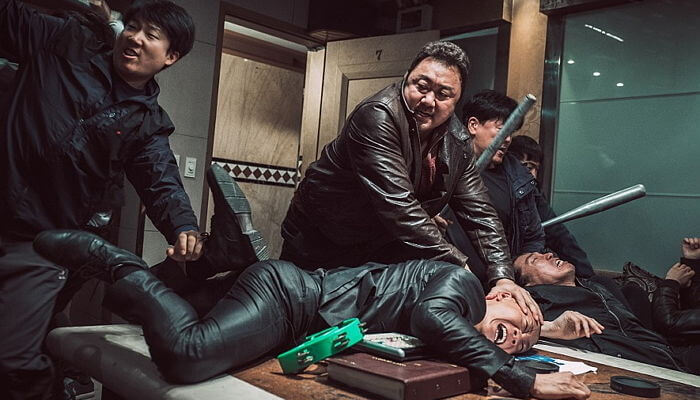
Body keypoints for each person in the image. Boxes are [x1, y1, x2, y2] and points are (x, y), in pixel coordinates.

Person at [32, 167, 592, 400]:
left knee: (170, 309)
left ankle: (217, 258)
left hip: (294, 310)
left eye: (521, 341)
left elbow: (462, 333)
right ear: (500, 293)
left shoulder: (468, 315)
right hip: (291, 299)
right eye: (520, 321)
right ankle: (115, 261)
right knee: (186, 355)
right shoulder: (460, 286)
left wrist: (547, 332)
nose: (517, 337)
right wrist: (522, 379)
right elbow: (435, 319)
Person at [0, 1, 206, 398]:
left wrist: (184, 227)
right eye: (133, 26)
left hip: (44, 240)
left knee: (14, 361)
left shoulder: (146, 123)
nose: (135, 38)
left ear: (171, 57)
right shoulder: (65, 42)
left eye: (151, 35)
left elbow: (161, 180)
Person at [280, 41, 540, 322]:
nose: (428, 100)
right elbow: (400, 207)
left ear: (457, 101)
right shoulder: (378, 115)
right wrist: (459, 264)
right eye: (421, 86)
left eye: (443, 94)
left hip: (376, 249)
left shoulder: (458, 141)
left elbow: (479, 212)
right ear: (406, 79)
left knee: (355, 329)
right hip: (320, 242)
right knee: (296, 319)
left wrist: (502, 277)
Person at [514, 251, 688, 372]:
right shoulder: (535, 300)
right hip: (633, 365)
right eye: (535, 260)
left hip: (667, 353)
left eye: (544, 253)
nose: (549, 255)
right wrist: (549, 328)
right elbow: (509, 329)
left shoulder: (599, 285)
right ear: (527, 285)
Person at [444, 91, 545, 285]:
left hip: (501, 285)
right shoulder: (442, 164)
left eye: (511, 132)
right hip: (450, 281)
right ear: (473, 125)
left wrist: (516, 274)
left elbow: (533, 236)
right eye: (502, 129)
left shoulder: (518, 178)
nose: (507, 139)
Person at [508, 135, 594, 278]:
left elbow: (560, 235)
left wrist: (589, 279)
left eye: (535, 168)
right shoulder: (493, 190)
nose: (533, 175)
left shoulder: (533, 194)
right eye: (528, 167)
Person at [651, 237, 700, 373]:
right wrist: (692, 262)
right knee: (631, 291)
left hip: (677, 366)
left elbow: (668, 323)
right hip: (677, 355)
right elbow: (691, 316)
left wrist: (671, 283)